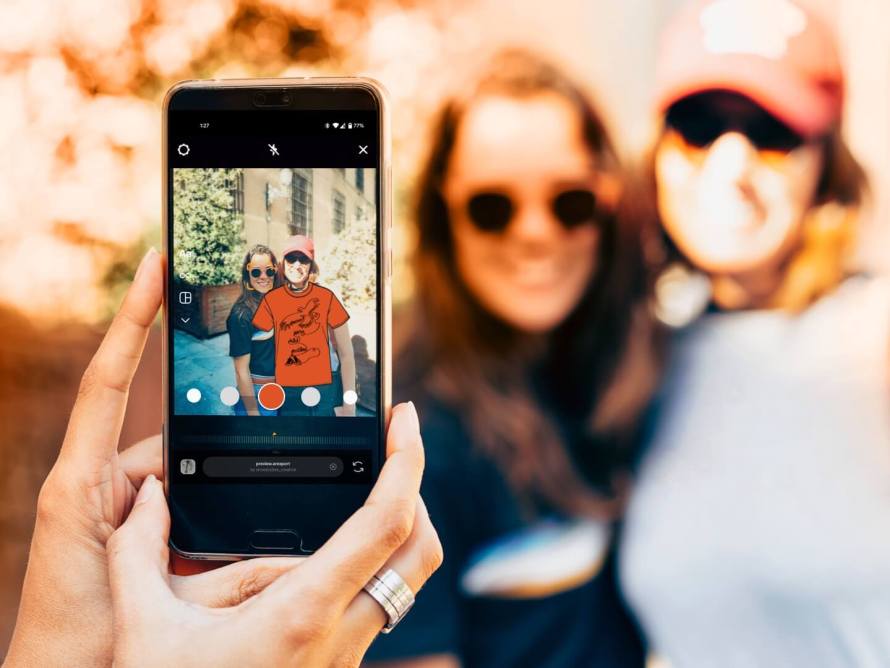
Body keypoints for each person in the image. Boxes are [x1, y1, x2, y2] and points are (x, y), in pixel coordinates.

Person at [4, 248, 442, 666]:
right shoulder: (247, 313)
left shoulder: (312, 302)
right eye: (261, 272)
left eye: (275, 271)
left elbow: (336, 348)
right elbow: (245, 360)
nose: (270, 278)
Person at [366, 50, 659, 668]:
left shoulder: (621, 364)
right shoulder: (407, 438)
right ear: (443, 213)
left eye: (570, 202)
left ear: (610, 200)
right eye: (492, 207)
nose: (534, 232)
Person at [619, 1, 890, 666]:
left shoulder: (875, 336)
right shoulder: (645, 356)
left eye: (771, 132)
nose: (731, 165)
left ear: (825, 163)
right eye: (699, 127)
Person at [252, 235, 357, 417]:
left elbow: (347, 354)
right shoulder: (271, 300)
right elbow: (256, 349)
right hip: (287, 389)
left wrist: (349, 405)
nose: (297, 264)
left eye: (304, 259)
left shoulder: (327, 298)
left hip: (324, 388)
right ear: (283, 264)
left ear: (311, 265)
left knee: (323, 443)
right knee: (292, 443)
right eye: (291, 258)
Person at [227, 244, 280, 416]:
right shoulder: (241, 315)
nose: (263, 277)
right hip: (257, 394)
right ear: (247, 274)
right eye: (256, 272)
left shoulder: (275, 301)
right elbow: (241, 371)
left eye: (269, 271)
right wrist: (253, 413)